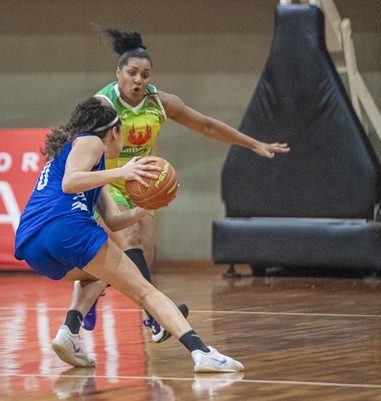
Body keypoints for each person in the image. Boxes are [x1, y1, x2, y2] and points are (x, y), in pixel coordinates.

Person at [80, 27, 291, 338]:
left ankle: (89, 295)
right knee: (132, 242)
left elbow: (205, 124)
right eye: (132, 73)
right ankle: (156, 317)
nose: (138, 80)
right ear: (118, 73)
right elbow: (79, 144)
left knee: (142, 257)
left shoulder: (160, 102)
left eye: (145, 74)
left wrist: (252, 143)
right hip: (109, 181)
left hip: (141, 183)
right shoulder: (104, 105)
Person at [14, 97, 244, 373]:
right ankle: (203, 352)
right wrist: (121, 171)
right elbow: (70, 182)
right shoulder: (91, 142)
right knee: (145, 291)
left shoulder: (85, 167)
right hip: (66, 228)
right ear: (114, 131)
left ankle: (70, 332)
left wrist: (144, 207)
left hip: (32, 245)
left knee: (99, 273)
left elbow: (114, 220)